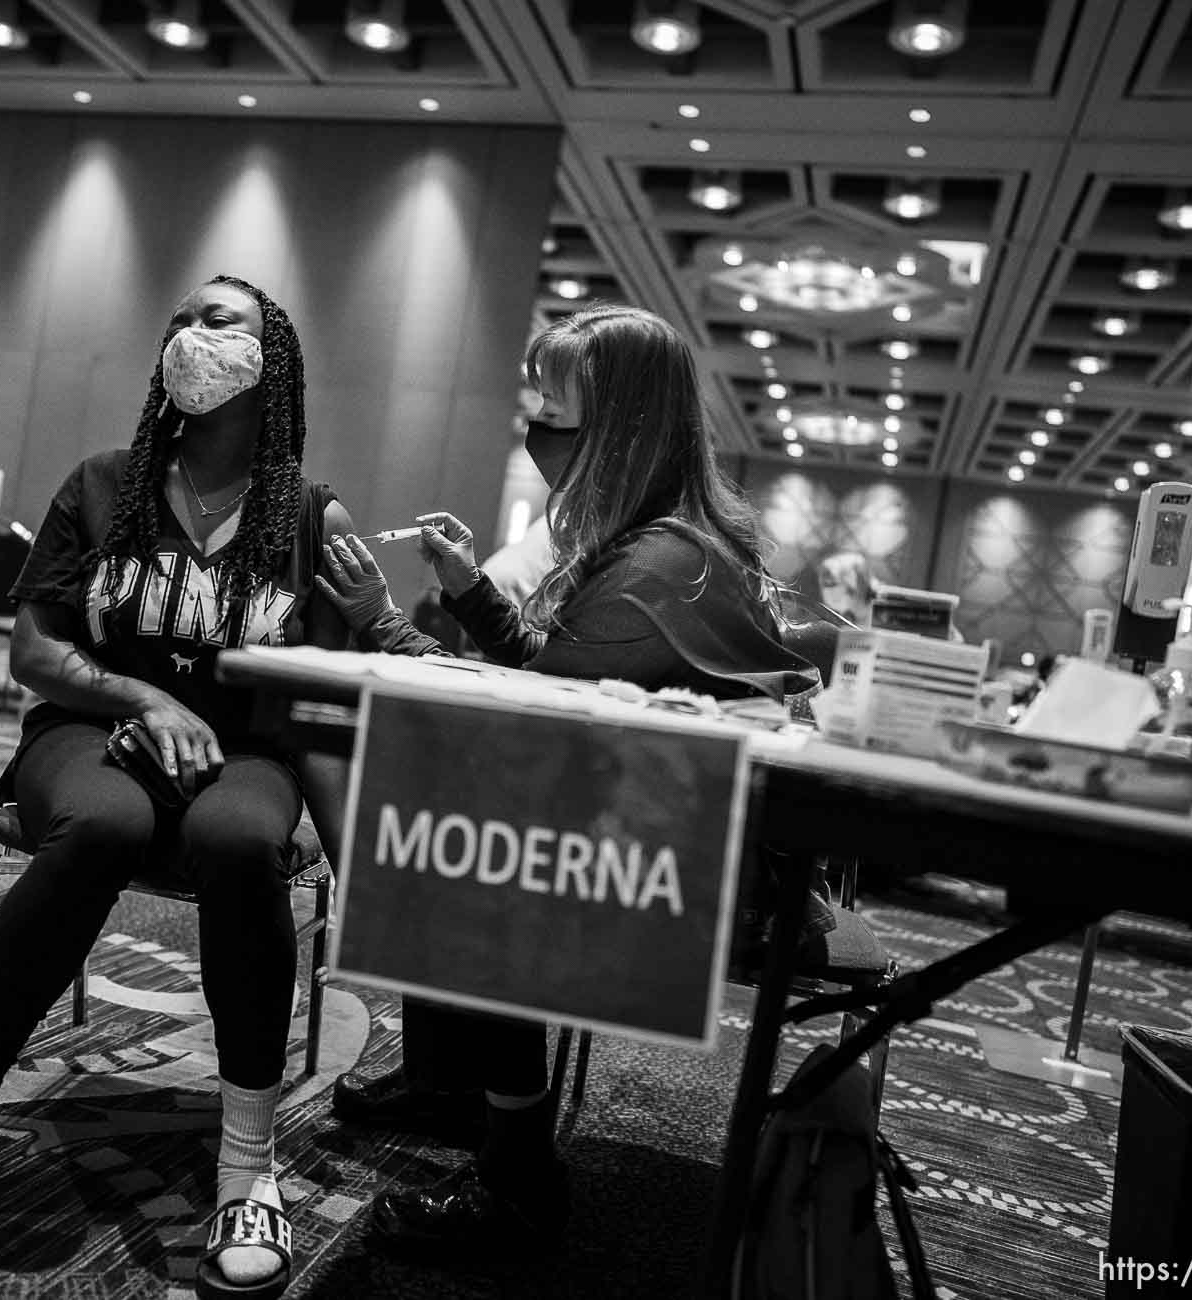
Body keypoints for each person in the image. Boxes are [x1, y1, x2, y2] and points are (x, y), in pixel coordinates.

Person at [0, 275, 422, 1300]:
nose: (191, 331)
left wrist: (356, 859)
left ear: (275, 366)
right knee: (106, 824)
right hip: (86, 734)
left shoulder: (310, 516)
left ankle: (246, 1168)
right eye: (183, 316)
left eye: (222, 319)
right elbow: (32, 651)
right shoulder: (102, 485)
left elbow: (339, 700)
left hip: (248, 754)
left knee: (237, 840)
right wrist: (139, 698)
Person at [311, 304, 824, 1264]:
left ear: (622, 428)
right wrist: (468, 592)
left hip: (693, 876)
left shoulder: (659, 565)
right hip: (671, 821)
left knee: (455, 833)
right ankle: (454, 1082)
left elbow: (531, 720)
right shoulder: (658, 539)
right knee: (449, 790)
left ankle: (516, 1180)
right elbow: (560, 674)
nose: (536, 427)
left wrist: (385, 624)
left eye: (555, 409)